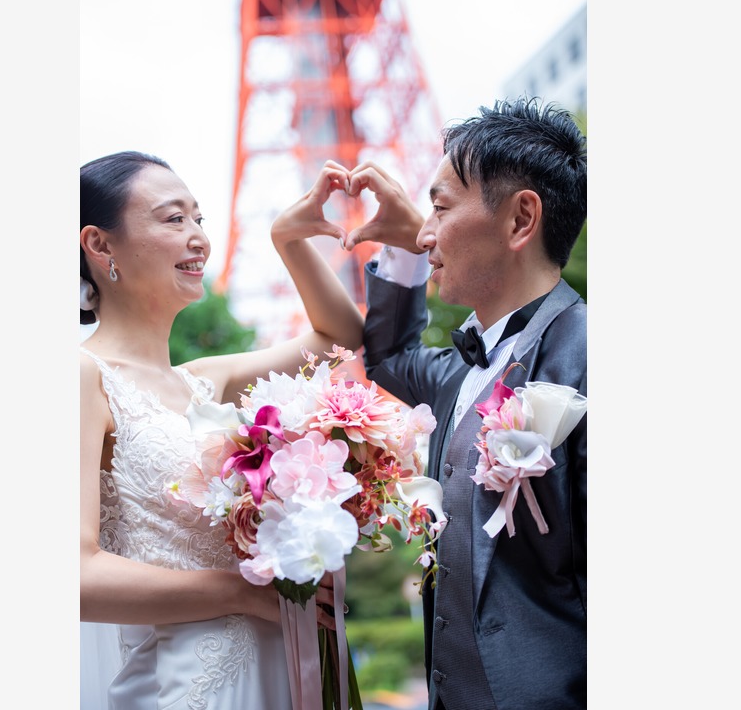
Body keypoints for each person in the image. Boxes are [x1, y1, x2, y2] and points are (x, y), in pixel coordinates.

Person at [79, 151, 364, 710]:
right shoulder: (83, 378)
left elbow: (341, 335)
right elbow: (75, 574)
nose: (198, 239)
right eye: (172, 218)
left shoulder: (206, 383)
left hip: (276, 667)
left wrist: (289, 240)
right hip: (184, 683)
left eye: (199, 220)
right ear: (101, 245)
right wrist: (243, 592)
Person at [341, 97, 588, 709]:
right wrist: (398, 244)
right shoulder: (462, 369)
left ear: (519, 219)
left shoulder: (589, 356)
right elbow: (388, 356)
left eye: (441, 207)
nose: (427, 233)